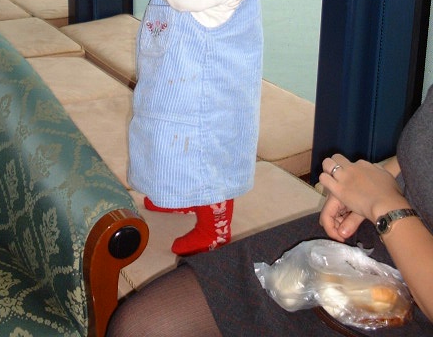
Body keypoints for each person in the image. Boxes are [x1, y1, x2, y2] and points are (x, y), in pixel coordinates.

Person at [109, 85, 433, 336]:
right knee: (139, 326)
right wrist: (378, 180)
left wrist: (385, 206)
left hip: (414, 261)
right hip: (387, 223)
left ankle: (213, 219)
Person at [127, 0, 287, 256]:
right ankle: (178, 191)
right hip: (181, 84)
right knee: (170, 142)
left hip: (205, 98)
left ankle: (214, 222)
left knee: (203, 155)